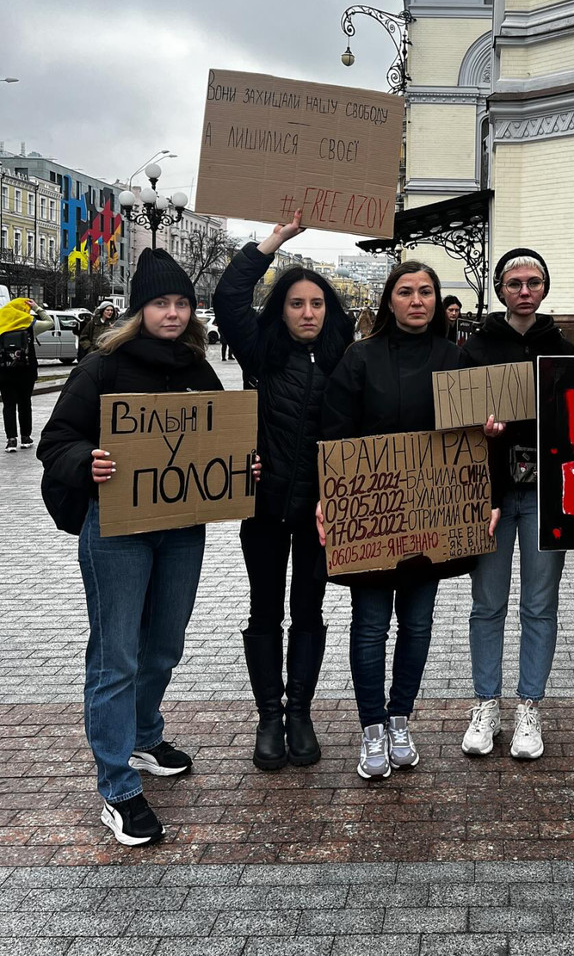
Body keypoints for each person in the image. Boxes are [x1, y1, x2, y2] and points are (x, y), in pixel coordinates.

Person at [37, 249, 222, 846]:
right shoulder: (103, 367)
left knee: (164, 644)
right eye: (160, 303)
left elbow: (221, 430)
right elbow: (55, 441)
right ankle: (116, 785)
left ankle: (143, 735)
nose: (172, 313)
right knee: (116, 654)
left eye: (181, 303)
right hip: (115, 529)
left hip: (181, 527)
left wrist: (241, 463)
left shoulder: (197, 365)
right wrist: (83, 461)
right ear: (140, 308)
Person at [318, 262, 490, 780]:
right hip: (373, 519)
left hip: (430, 520)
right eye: (406, 292)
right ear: (388, 300)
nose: (417, 301)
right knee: (371, 626)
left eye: (427, 292)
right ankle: (371, 726)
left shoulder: (455, 359)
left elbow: (472, 440)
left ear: (437, 301)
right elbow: (336, 433)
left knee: (417, 625)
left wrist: (489, 429)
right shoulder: (359, 358)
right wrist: (328, 499)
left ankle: (400, 719)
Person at [213, 211, 352, 772]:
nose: (307, 312)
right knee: (264, 610)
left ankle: (300, 714)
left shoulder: (345, 358)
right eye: (296, 303)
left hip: (321, 513)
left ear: (329, 310)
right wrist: (276, 239)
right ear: (282, 310)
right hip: (265, 509)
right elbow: (229, 294)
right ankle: (269, 716)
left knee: (310, 611)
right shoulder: (260, 351)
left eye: (316, 303)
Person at [460, 248, 574, 760]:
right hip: (491, 496)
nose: (524, 290)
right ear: (500, 290)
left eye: (533, 281)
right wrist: (479, 426)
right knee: (487, 604)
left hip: (548, 494)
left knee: (539, 605)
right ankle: (487, 702)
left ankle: (530, 704)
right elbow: (456, 422)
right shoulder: (476, 348)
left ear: (545, 287)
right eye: (514, 283)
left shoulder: (564, 350)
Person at [1, 296, 53, 453]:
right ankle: (25, 437)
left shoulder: (1, 323)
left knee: (8, 405)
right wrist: (37, 308)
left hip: (4, 372)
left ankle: (11, 440)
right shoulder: (29, 324)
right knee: (25, 403)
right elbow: (50, 322)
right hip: (26, 371)